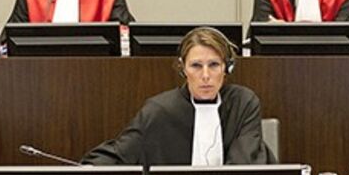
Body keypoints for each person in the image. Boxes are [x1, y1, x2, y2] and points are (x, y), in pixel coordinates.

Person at [81, 26, 275, 166]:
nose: (205, 75)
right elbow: (121, 153)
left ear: (227, 68)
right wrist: (90, 170)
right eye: (196, 66)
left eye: (214, 65)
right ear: (183, 69)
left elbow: (244, 167)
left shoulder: (243, 103)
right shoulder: (160, 109)